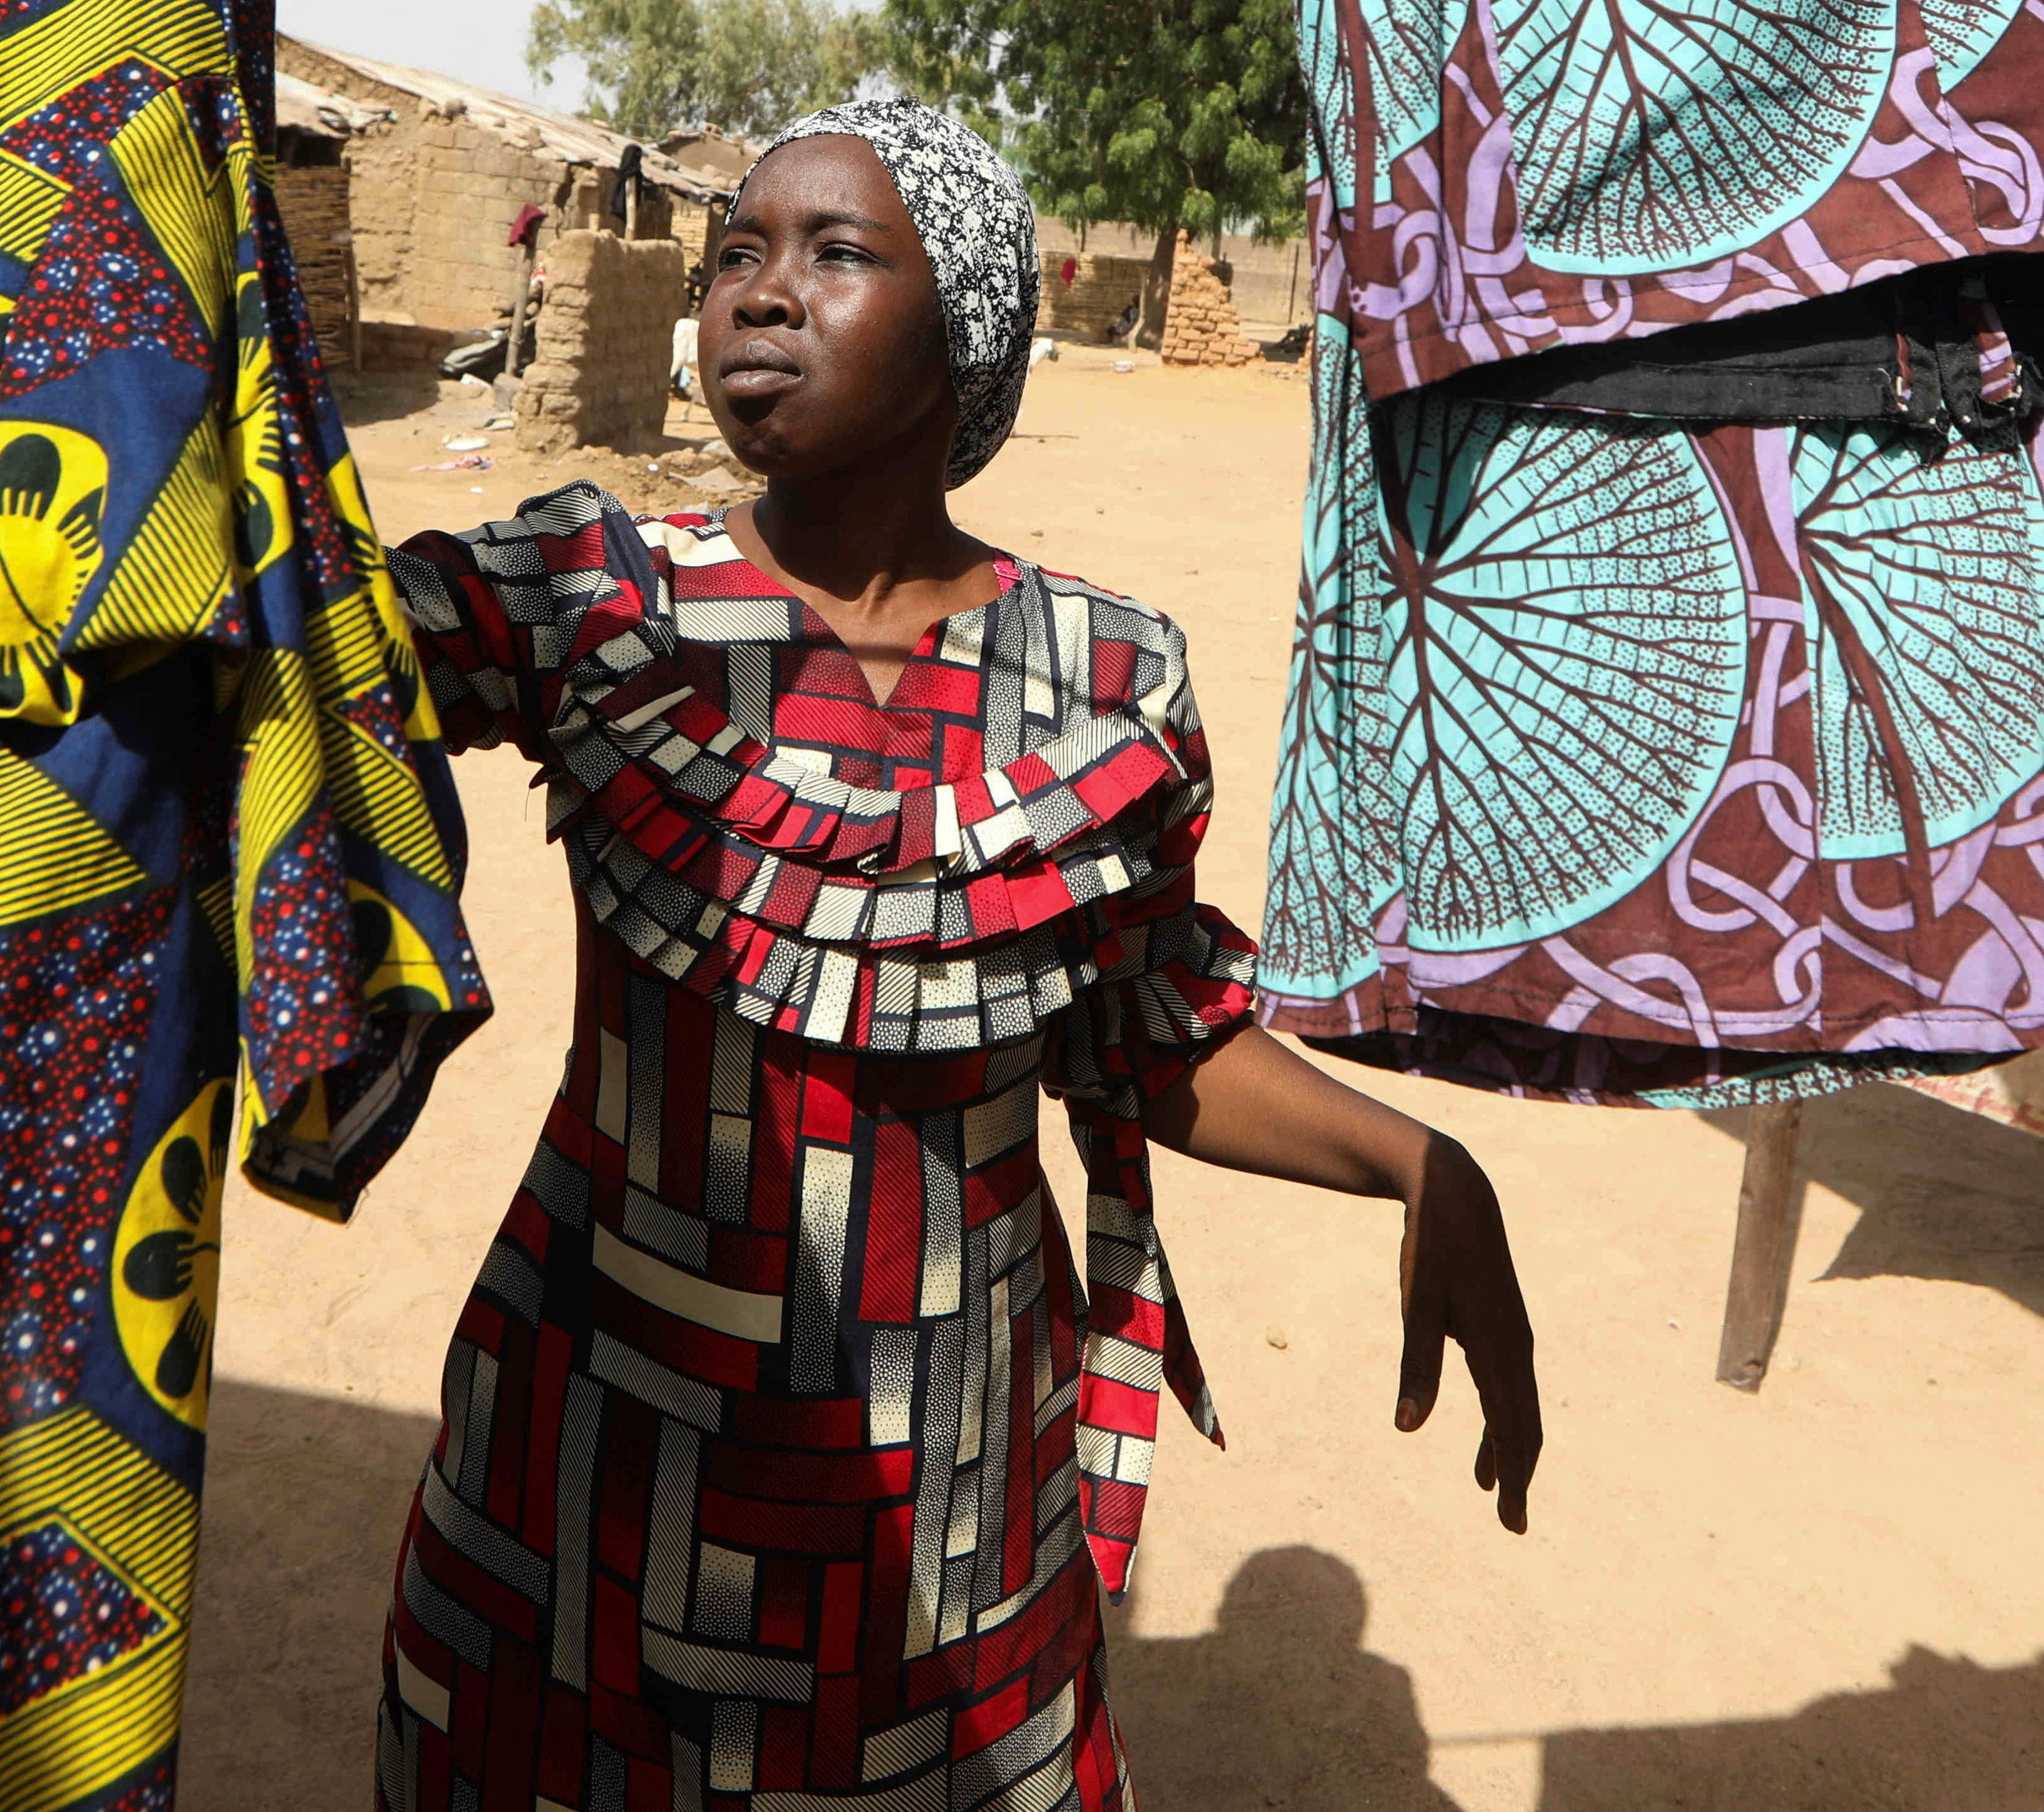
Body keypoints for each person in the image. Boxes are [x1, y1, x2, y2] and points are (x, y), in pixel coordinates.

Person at [375, 99, 1543, 1807]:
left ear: (968, 326)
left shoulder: (1101, 678)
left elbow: (1153, 1030)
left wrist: (1424, 1161)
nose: (758, 292)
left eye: (834, 251)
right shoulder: (594, 595)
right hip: (598, 1442)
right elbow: (284, 644)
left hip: (945, 1469)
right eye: (734, 256)